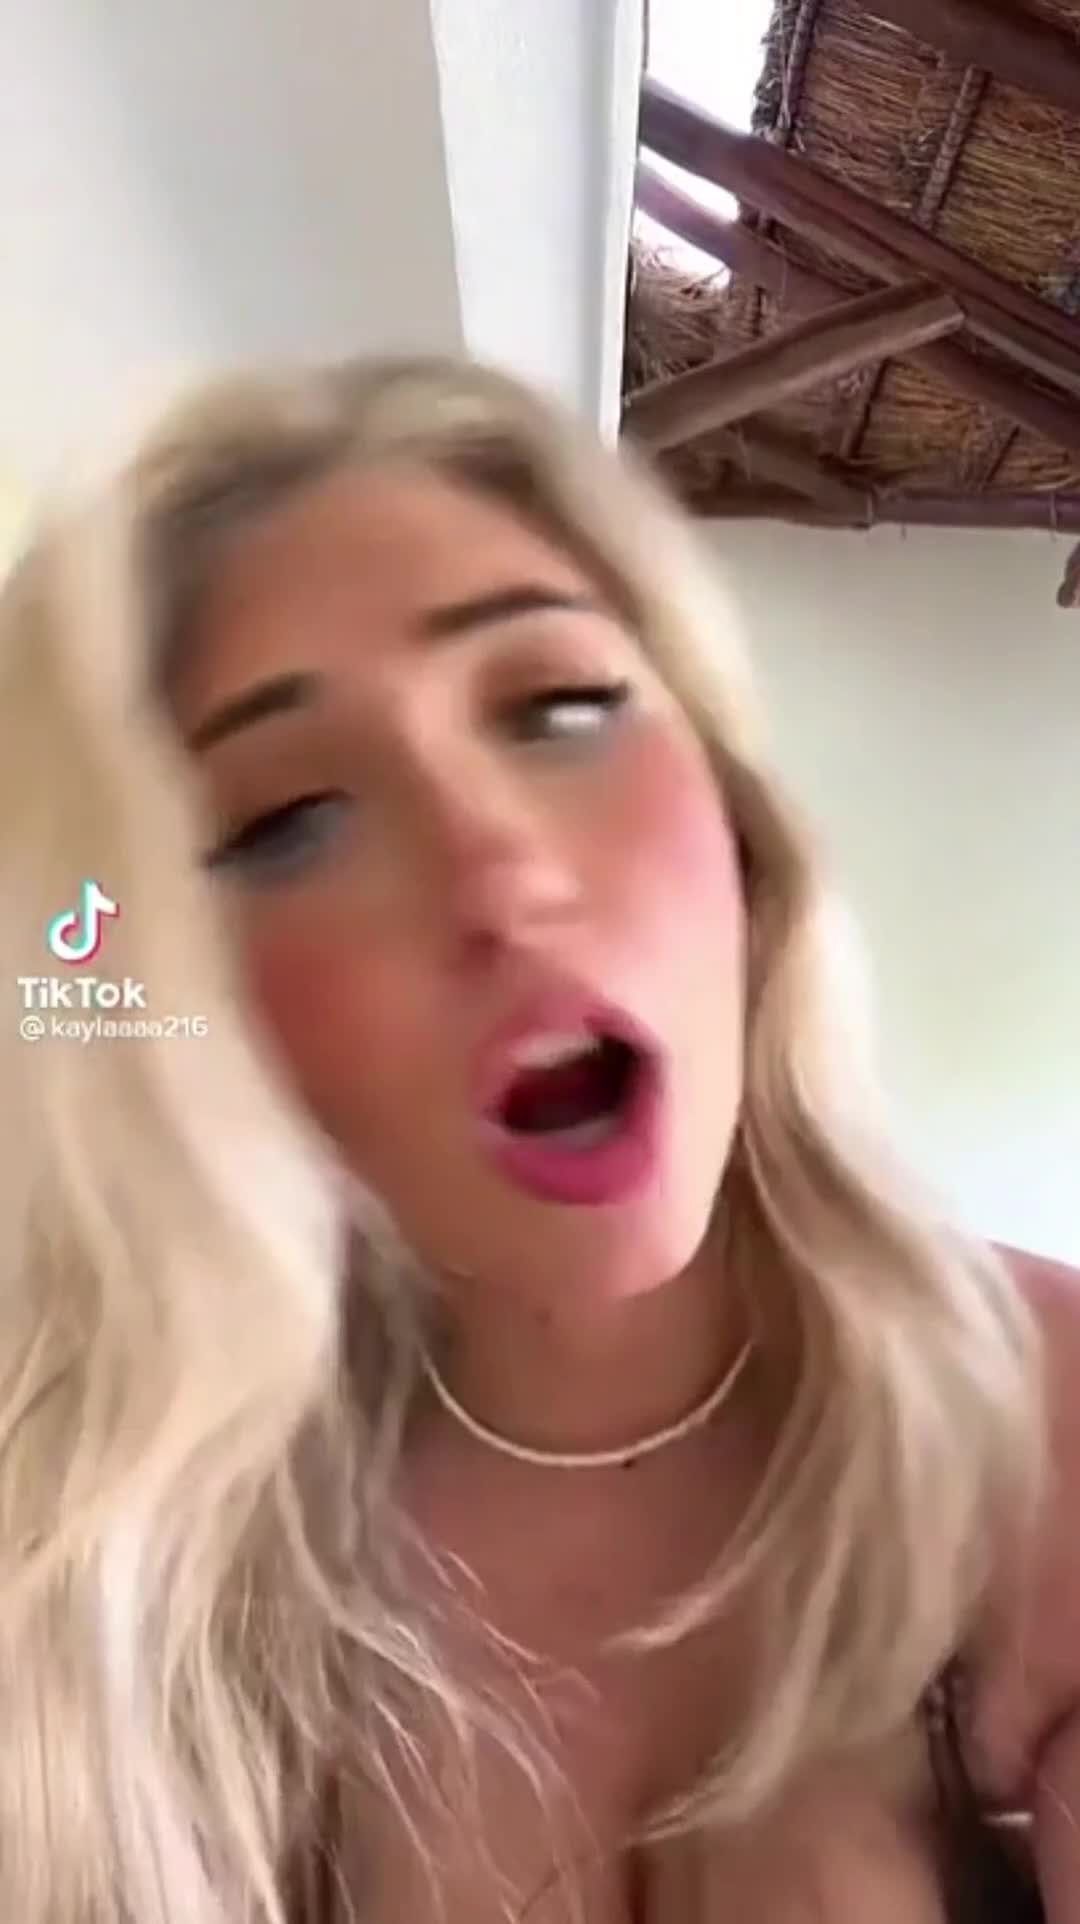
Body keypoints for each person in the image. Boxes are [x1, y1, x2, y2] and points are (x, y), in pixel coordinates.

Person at [0, 354, 1076, 1924]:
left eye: (560, 708)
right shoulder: (114, 1586)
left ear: (735, 818)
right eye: (288, 822)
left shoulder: (1041, 1434)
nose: (499, 872)